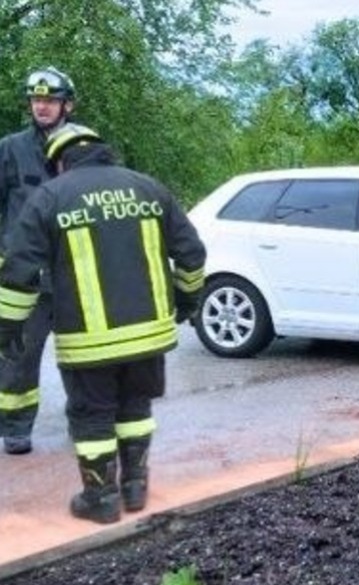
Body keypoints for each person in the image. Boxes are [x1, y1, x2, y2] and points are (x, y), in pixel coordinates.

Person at [0, 123, 207, 524]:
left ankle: (100, 498)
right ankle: (135, 486)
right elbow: (192, 254)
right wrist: (187, 301)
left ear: (60, 161)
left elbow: (19, 273)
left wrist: (8, 329)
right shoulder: (148, 188)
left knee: (91, 416)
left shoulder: (50, 196)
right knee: (136, 407)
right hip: (149, 335)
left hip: (88, 340)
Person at [0, 67, 77, 455]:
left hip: (75, 273)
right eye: (36, 100)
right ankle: (16, 428)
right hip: (25, 279)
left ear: (68, 105)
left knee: (84, 355)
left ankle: (87, 422)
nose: (41, 106)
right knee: (20, 356)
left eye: (49, 100)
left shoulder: (84, 150)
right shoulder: (10, 149)